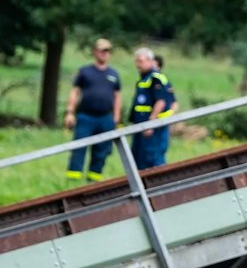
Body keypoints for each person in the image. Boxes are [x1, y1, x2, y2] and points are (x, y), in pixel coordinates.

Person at [65, 38, 123, 183]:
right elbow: (74, 92)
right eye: (102, 51)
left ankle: (94, 179)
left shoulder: (114, 74)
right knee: (79, 148)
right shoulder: (85, 72)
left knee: (102, 151)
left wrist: (116, 116)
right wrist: (70, 112)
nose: (105, 54)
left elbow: (117, 96)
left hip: (105, 118)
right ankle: (73, 179)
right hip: (86, 117)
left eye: (107, 51)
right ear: (95, 52)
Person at [129, 48, 179, 170]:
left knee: (153, 158)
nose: (137, 65)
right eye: (136, 61)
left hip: (152, 127)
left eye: (140, 61)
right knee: (138, 158)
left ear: (150, 61)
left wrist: (151, 123)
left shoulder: (155, 78)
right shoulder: (144, 78)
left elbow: (161, 102)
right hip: (142, 125)